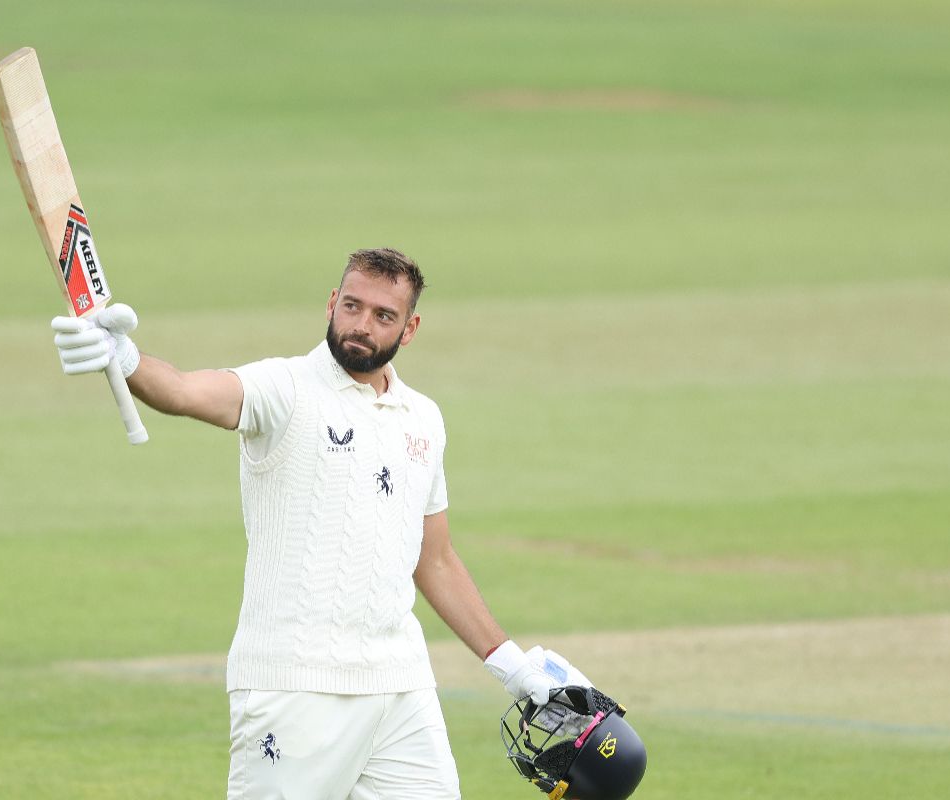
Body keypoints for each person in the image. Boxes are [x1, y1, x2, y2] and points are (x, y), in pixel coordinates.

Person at [51, 248, 591, 799]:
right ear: (332, 303)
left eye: (383, 315)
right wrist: (127, 357)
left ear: (410, 328)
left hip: (399, 688)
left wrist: (514, 667)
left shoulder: (424, 419)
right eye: (352, 306)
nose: (361, 325)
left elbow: (435, 558)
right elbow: (187, 392)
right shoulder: (284, 389)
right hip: (292, 686)